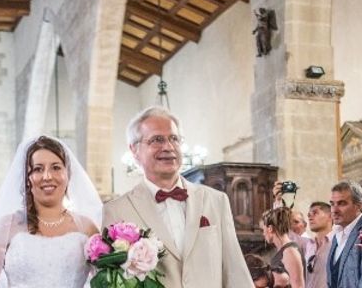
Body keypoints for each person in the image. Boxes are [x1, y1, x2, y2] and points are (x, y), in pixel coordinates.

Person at [102, 106, 251, 287]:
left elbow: (235, 271)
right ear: (134, 149)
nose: (168, 147)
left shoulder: (216, 201)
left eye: (174, 138)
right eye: (157, 139)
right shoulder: (116, 211)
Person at [0, 135, 102, 288]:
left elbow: (107, 281)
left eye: (56, 167)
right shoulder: (7, 226)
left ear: (67, 174)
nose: (47, 176)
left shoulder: (87, 228)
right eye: (38, 169)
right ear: (27, 179)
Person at [327, 180, 362, 287]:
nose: (334, 210)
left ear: (358, 206)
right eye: (332, 204)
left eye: (342, 203)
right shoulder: (336, 235)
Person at [261, 206, 305, 288]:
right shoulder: (283, 250)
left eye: (263, 230)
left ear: (270, 228)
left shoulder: (290, 251)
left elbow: (298, 286)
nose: (263, 234)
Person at [304, 202, 333, 288]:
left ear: (330, 216)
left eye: (315, 213)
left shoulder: (339, 243)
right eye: (309, 214)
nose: (310, 217)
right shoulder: (309, 244)